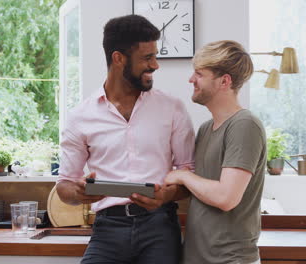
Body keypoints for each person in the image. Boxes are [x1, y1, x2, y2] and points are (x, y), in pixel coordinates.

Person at [56, 14, 195, 264]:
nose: (155, 65)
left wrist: (166, 195)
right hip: (108, 229)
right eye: (147, 57)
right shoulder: (80, 117)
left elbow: (188, 172)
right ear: (118, 58)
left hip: (160, 226)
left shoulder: (172, 108)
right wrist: (78, 193)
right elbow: (64, 186)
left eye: (155, 55)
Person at [165, 40, 266, 264]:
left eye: (199, 74)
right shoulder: (205, 129)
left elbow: (226, 197)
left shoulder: (244, 125)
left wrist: (182, 175)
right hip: (197, 257)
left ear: (224, 81)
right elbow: (200, 190)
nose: (192, 79)